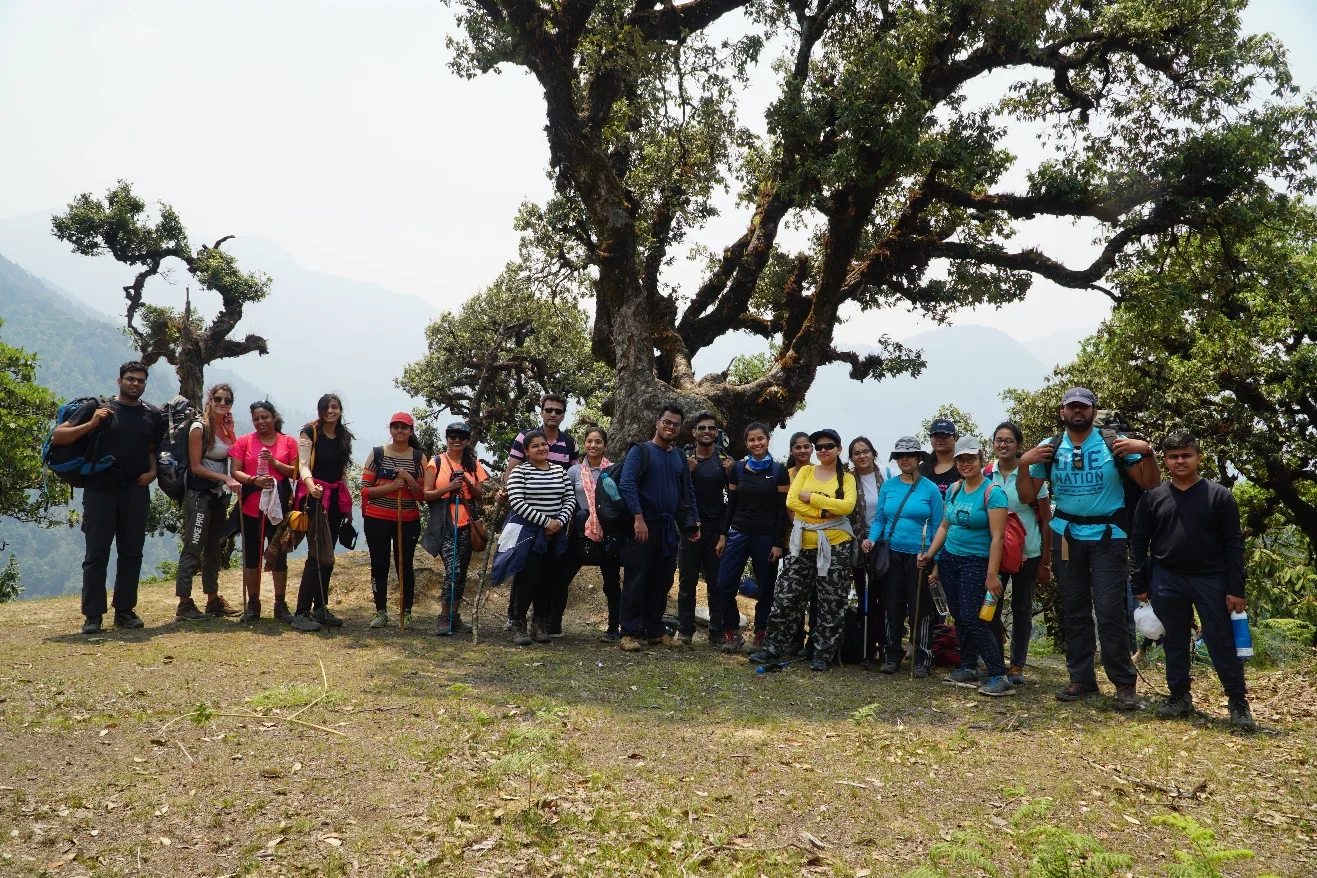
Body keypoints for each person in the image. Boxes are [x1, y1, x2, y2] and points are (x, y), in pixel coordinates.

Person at [1017, 387, 1159, 709]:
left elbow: (1150, 482)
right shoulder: (1049, 449)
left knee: (1110, 609)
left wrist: (1147, 451)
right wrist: (1024, 463)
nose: (1077, 412)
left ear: (1094, 412)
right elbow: (1027, 497)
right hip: (1066, 536)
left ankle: (1123, 683)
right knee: (1075, 607)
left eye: (1084, 407)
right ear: (1062, 413)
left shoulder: (1115, 444)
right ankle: (1081, 679)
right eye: (1072, 407)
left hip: (1108, 533)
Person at [1130, 431, 1256, 730]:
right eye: (1173, 456)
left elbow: (1234, 544)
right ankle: (1179, 696)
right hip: (1166, 576)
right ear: (1166, 460)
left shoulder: (1219, 495)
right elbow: (1138, 542)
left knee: (1220, 640)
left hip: (1212, 578)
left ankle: (1238, 703)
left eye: (1186, 455)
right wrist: (1139, 583)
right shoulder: (1153, 498)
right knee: (1174, 639)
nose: (1180, 460)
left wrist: (1236, 588)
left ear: (1199, 457)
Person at [53, 361, 166, 634]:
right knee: (96, 554)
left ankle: (125, 611)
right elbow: (59, 436)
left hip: (136, 491)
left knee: (131, 553)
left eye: (140, 380)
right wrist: (91, 424)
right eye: (130, 379)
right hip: (100, 491)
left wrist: (152, 473)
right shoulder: (97, 407)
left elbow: (153, 448)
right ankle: (92, 616)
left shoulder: (151, 414)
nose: (135, 384)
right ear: (119, 381)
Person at [749, 428, 856, 672]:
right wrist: (825, 511)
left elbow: (847, 506)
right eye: (818, 447)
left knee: (831, 601)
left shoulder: (846, 478)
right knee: (786, 597)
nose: (823, 450)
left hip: (835, 544)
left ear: (839, 449)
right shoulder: (806, 471)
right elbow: (792, 502)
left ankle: (823, 653)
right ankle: (773, 646)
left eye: (829, 446)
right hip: (801, 545)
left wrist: (813, 498)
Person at [918, 436, 1013, 696]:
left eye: (971, 458)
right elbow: (945, 526)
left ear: (981, 459)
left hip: (976, 561)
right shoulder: (955, 489)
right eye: (961, 459)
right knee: (959, 616)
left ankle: (998, 673)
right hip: (950, 558)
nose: (966, 463)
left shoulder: (993, 493)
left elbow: (998, 537)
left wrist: (992, 575)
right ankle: (968, 665)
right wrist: (931, 555)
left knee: (974, 618)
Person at [618, 405, 700, 651]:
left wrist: (693, 521)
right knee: (636, 577)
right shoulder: (640, 451)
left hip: (667, 528)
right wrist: (638, 518)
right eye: (667, 422)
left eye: (675, 424)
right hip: (642, 524)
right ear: (657, 422)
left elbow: (688, 492)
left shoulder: (678, 458)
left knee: (662, 580)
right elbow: (627, 483)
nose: (670, 427)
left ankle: (654, 630)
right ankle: (629, 633)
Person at [863, 436, 944, 676]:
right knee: (892, 606)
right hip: (892, 554)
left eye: (910, 455)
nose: (905, 459)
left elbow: (938, 526)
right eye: (900, 456)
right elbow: (880, 519)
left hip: (920, 557)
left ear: (919, 458)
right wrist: (872, 539)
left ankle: (922, 658)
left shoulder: (930, 489)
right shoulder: (888, 486)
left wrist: (932, 557)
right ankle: (892, 655)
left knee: (921, 608)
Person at [501, 393, 579, 626]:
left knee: (548, 573)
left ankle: (541, 620)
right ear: (541, 411)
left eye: (558, 411)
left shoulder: (569, 443)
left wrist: (560, 521)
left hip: (556, 519)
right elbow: (512, 470)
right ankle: (515, 618)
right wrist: (507, 496)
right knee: (523, 569)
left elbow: (572, 482)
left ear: (563, 415)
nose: (553, 414)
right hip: (527, 516)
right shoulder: (525, 436)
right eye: (549, 410)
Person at [985, 421, 1052, 684]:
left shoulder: (1034, 476)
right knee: (991, 605)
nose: (1003, 445)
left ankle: (1017, 666)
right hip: (996, 552)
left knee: (1022, 608)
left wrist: (1046, 561)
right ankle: (994, 661)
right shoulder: (986, 474)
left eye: (1009, 441)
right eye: (998, 440)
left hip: (1029, 549)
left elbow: (1046, 520)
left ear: (1019, 446)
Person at [714, 422, 789, 652]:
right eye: (752, 440)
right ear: (746, 443)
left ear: (768, 440)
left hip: (766, 537)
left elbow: (781, 511)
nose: (757, 443)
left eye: (761, 439)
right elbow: (731, 504)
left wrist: (778, 544)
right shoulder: (737, 468)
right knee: (724, 585)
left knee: (766, 588)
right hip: (738, 533)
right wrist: (723, 535)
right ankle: (732, 632)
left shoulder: (779, 471)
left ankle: (761, 633)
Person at [173, 383, 242, 621]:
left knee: (214, 548)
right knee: (194, 546)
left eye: (228, 400)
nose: (223, 404)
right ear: (209, 400)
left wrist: (231, 431)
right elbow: (195, 466)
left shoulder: (224, 428)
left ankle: (213, 600)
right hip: (200, 496)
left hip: (219, 497)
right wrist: (224, 477)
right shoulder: (198, 427)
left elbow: (234, 456)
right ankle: (184, 603)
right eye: (219, 399)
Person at [229, 400, 300, 623]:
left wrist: (275, 463)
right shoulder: (244, 442)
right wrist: (254, 480)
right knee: (251, 556)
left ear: (274, 417)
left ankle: (280, 603)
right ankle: (253, 604)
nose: (261, 422)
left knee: (279, 554)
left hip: (279, 508)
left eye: (265, 417)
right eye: (257, 418)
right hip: (251, 506)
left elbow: (296, 472)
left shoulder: (288, 442)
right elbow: (235, 471)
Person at [292, 393, 355, 632]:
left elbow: (343, 471)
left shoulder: (343, 436)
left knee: (328, 553)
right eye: (327, 407)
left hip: (335, 499)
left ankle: (320, 608)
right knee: (317, 555)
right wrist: (311, 486)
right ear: (320, 410)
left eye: (335, 407)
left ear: (340, 410)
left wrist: (347, 503)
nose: (331, 411)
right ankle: (301, 612)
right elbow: (303, 465)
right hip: (315, 499)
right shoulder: (310, 432)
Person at [423, 420, 490, 636]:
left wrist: (468, 483)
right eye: (452, 435)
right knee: (454, 570)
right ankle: (444, 616)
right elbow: (426, 494)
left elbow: (481, 495)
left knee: (460, 572)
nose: (457, 440)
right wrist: (449, 488)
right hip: (444, 523)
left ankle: (454, 616)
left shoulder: (474, 465)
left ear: (467, 440)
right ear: (447, 438)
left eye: (461, 436)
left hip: (466, 523)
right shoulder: (436, 462)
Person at [361, 413, 427, 630]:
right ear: (390, 430)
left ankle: (406, 612)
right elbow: (365, 490)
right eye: (396, 427)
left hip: (407, 519)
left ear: (411, 431)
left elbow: (421, 496)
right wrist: (391, 487)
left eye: (404, 427)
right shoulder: (378, 454)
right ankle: (380, 611)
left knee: (404, 565)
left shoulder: (418, 457)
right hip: (377, 518)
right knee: (379, 565)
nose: (400, 431)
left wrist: (408, 479)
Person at [562, 426, 624, 641]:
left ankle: (614, 628)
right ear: (584, 443)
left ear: (605, 445)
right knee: (562, 578)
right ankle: (552, 624)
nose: (593, 445)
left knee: (612, 584)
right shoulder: (574, 472)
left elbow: (618, 502)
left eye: (598, 442)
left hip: (608, 534)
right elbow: (567, 502)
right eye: (589, 441)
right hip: (580, 534)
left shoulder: (615, 470)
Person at [676, 411, 732, 646]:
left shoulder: (724, 461)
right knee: (687, 582)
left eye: (711, 428)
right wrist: (684, 472)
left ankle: (716, 632)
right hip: (689, 527)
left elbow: (733, 500)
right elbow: (672, 491)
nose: (706, 431)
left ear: (717, 433)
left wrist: (723, 534)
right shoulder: (683, 459)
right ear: (694, 432)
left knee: (716, 582)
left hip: (715, 527)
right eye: (702, 428)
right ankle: (685, 631)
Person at [848, 436, 885, 664]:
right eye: (856, 453)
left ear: (873, 452)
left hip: (884, 543)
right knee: (865, 596)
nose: (862, 456)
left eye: (865, 451)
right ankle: (867, 647)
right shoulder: (849, 480)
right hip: (857, 544)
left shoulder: (888, 476)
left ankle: (886, 645)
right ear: (851, 457)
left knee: (886, 597)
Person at [920, 418, 960, 496]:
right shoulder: (921, 469)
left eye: (945, 435)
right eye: (936, 436)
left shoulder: (964, 467)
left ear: (955, 437)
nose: (940, 440)